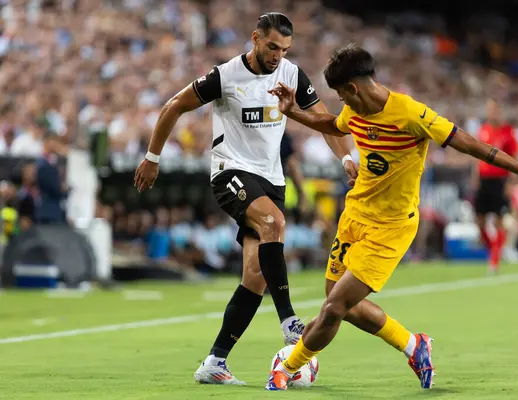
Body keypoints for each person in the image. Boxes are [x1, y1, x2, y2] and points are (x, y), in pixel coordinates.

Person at [264, 44, 518, 391]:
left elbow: (471, 144)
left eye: (341, 95)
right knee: (344, 305)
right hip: (355, 215)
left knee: (335, 305)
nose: (342, 102)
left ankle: (287, 368)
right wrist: (293, 112)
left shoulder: (410, 113)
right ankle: (415, 345)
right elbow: (334, 126)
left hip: (391, 227)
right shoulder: (355, 110)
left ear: (353, 88)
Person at [133, 13, 357, 385]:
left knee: (255, 277)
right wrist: (152, 158)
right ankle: (289, 322)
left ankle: (214, 362)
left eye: (284, 49)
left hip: (271, 179)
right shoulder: (225, 76)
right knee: (274, 223)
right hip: (231, 172)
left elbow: (324, 121)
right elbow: (173, 106)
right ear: (255, 38)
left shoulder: (291, 74)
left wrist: (346, 158)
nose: (277, 55)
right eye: (272, 47)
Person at [473, 99, 518, 273]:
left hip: (500, 181)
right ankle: (493, 249)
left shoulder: (508, 132)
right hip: (484, 180)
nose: (492, 113)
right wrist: (475, 176)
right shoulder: (483, 130)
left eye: (495, 110)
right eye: (489, 110)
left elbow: (513, 159)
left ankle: (494, 259)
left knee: (499, 220)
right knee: (479, 220)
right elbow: (477, 155)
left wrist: (510, 182)